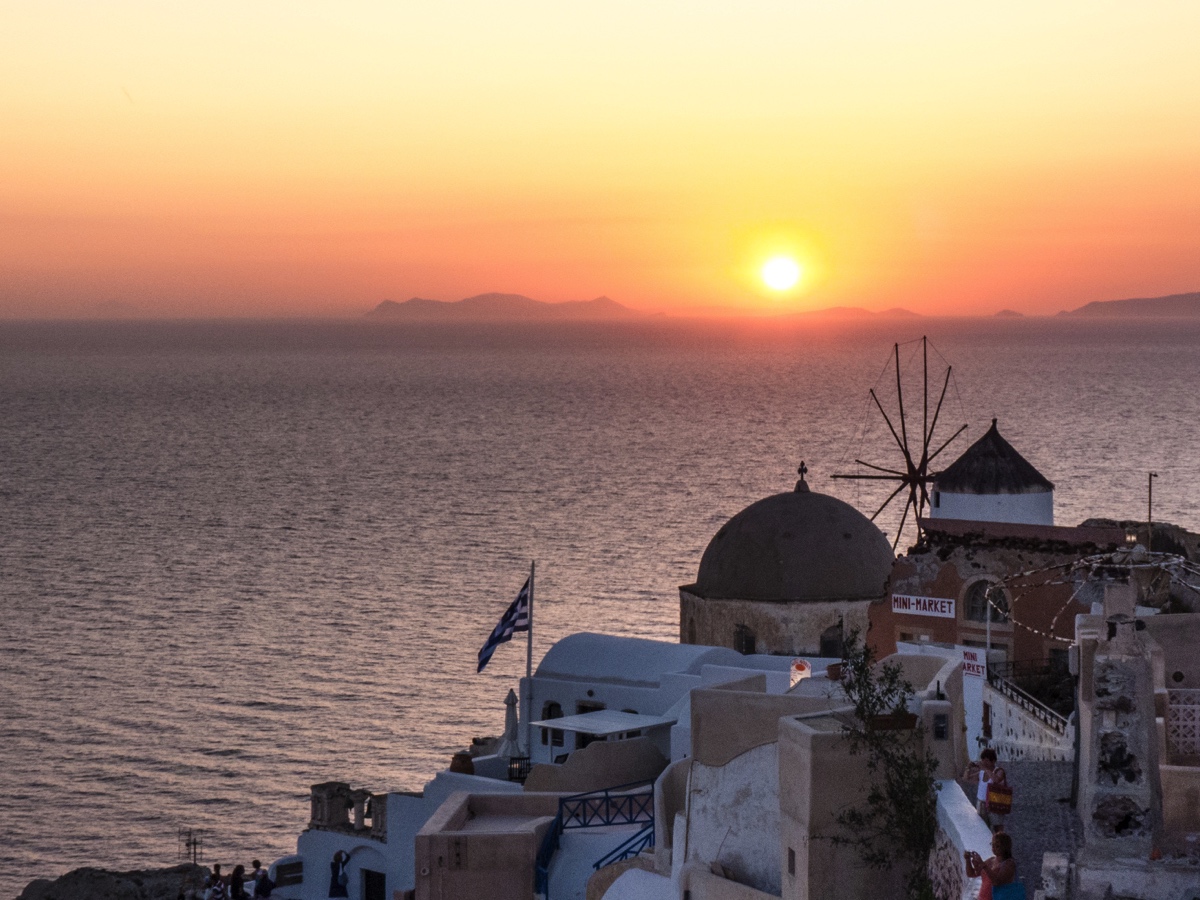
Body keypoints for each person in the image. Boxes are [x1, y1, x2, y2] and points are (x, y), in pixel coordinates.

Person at [965, 830, 1018, 900]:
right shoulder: (991, 860)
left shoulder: (1009, 863)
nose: (993, 848)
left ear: (1005, 847)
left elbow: (997, 882)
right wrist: (968, 860)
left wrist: (983, 864)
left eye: (997, 846)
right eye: (992, 844)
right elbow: (972, 874)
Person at [964, 748, 1008, 827]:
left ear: (993, 761)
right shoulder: (982, 772)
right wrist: (968, 768)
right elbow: (967, 778)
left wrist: (984, 768)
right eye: (983, 760)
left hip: (995, 804)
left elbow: (996, 779)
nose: (984, 762)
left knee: (997, 828)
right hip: (981, 804)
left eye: (987, 760)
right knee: (983, 828)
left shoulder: (999, 771)